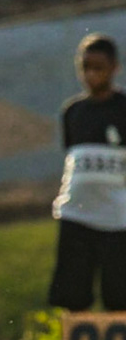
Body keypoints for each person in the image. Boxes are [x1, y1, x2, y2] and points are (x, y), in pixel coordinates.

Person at [49, 32, 126, 312]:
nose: (90, 74)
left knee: (119, 299)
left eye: (98, 68)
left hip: (117, 221)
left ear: (114, 68)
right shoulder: (73, 112)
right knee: (72, 298)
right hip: (76, 217)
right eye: (85, 67)